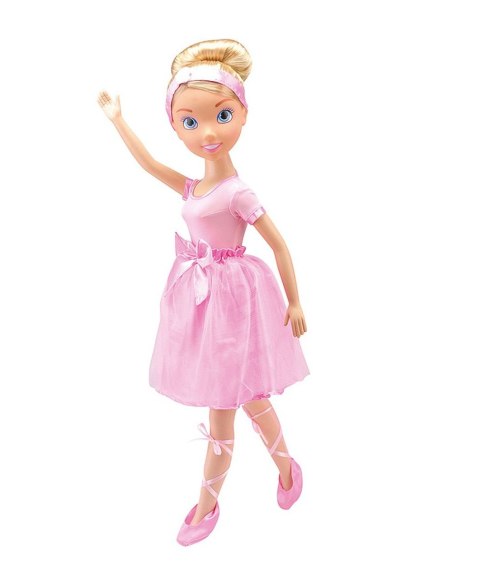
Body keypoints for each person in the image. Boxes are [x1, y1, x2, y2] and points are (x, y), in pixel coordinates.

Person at [98, 38, 311, 546]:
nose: (208, 133)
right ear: (177, 126)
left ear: (242, 114)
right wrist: (118, 120)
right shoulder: (195, 187)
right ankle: (288, 468)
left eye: (222, 116)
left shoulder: (238, 192)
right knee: (251, 396)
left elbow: (279, 244)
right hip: (201, 299)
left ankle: (207, 505)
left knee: (224, 408)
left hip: (234, 301)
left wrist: (295, 300)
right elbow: (149, 165)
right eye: (191, 122)